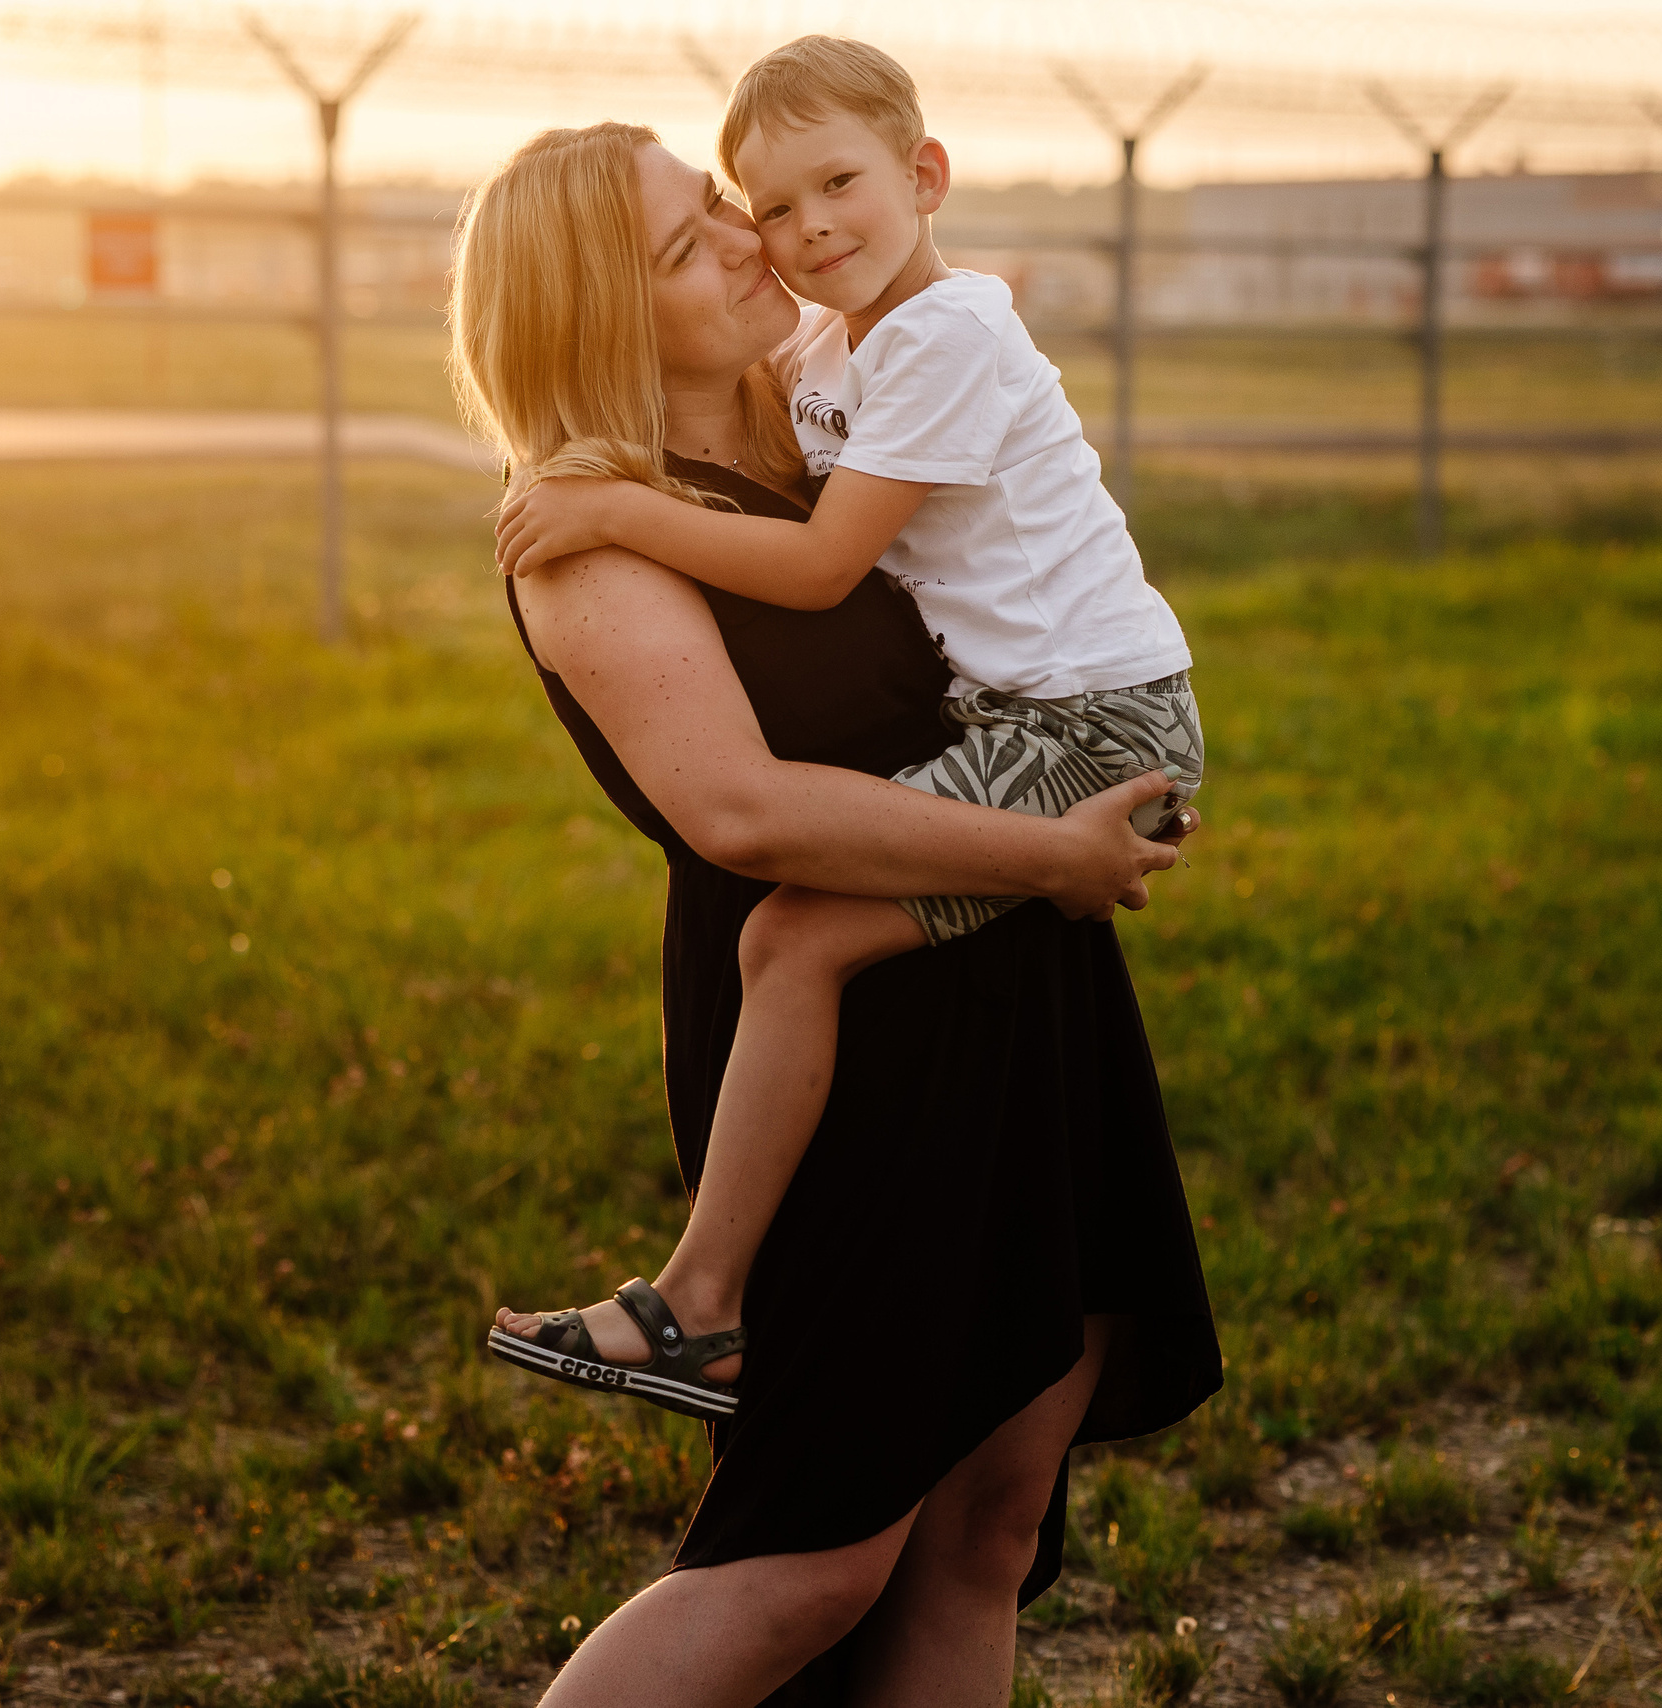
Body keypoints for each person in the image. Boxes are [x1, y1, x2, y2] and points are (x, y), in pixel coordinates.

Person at [449, 120, 1220, 1704]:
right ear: (596, 314)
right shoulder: (586, 525)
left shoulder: (827, 418)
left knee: (985, 1528)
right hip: (848, 1047)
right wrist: (1051, 862)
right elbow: (737, 808)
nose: (747, 240)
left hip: (1009, 978)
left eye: (718, 208)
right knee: (813, 1554)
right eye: (686, 246)